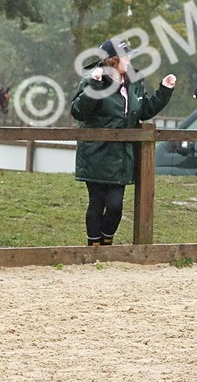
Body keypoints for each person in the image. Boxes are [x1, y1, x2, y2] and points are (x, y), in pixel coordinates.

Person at [70, 39, 176, 246]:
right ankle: (94, 248)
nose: (128, 59)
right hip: (96, 154)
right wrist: (94, 85)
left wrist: (164, 91)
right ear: (112, 59)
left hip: (122, 156)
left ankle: (106, 243)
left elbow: (143, 111)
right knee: (96, 202)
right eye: (124, 55)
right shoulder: (92, 79)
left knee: (115, 205)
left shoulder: (134, 81)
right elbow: (78, 111)